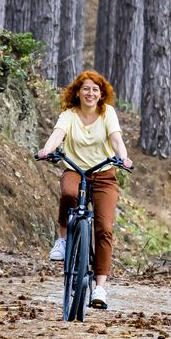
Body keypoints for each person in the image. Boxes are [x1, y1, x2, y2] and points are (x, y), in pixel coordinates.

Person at [35, 70, 133, 309]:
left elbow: (117, 139)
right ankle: (62, 239)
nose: (90, 93)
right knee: (68, 194)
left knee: (104, 228)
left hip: (104, 173)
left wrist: (124, 157)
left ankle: (100, 287)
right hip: (75, 170)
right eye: (86, 89)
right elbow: (57, 135)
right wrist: (47, 150)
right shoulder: (69, 115)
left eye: (95, 90)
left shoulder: (107, 113)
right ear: (77, 93)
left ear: (101, 95)